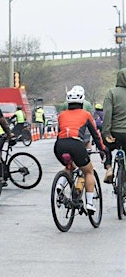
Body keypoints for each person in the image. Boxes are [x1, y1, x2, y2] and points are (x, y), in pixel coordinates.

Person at [54, 85, 106, 213]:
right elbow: (95, 134)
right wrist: (102, 150)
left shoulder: (61, 115)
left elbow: (59, 132)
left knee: (70, 166)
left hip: (59, 145)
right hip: (76, 144)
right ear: (82, 101)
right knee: (89, 171)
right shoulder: (86, 114)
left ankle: (60, 184)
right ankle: (89, 203)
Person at [100, 69, 126, 183]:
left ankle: (109, 168)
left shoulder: (111, 93)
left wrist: (106, 133)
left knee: (105, 147)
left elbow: (107, 114)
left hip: (115, 133)